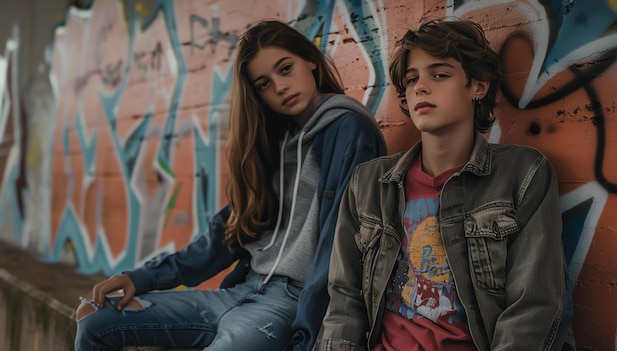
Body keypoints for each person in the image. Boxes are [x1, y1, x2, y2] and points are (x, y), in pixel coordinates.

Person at [74, 19, 386, 351]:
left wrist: (314, 330)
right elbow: (230, 231)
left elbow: (342, 246)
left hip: (289, 304)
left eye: (285, 68)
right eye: (264, 83)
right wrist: (143, 277)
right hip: (242, 291)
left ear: (310, 60)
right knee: (96, 319)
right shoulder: (275, 139)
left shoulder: (349, 130)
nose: (280, 87)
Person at [315, 18, 575, 351]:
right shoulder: (368, 183)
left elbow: (534, 306)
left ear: (478, 86)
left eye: (439, 74)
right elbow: (344, 300)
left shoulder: (522, 174)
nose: (420, 87)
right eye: (411, 79)